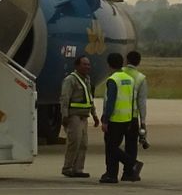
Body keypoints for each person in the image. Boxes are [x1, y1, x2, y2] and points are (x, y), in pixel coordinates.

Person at [99, 52, 142, 183]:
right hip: (127, 118)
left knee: (111, 147)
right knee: (114, 148)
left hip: (115, 119)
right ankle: (111, 174)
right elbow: (131, 100)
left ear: (108, 65)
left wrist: (105, 119)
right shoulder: (129, 79)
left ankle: (129, 165)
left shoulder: (113, 80)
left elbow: (110, 102)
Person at [58, 55, 98, 178]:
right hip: (74, 115)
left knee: (83, 144)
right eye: (84, 64)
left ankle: (78, 169)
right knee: (74, 142)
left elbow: (89, 99)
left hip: (84, 116)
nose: (87, 67)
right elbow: (65, 98)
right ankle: (67, 167)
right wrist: (64, 115)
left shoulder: (87, 79)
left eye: (88, 64)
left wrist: (94, 114)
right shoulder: (70, 80)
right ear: (77, 66)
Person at [125, 50, 150, 150]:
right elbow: (142, 102)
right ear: (139, 62)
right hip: (132, 117)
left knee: (113, 146)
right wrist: (143, 121)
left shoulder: (116, 74)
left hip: (116, 117)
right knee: (131, 146)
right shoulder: (140, 78)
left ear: (126, 60)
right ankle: (131, 164)